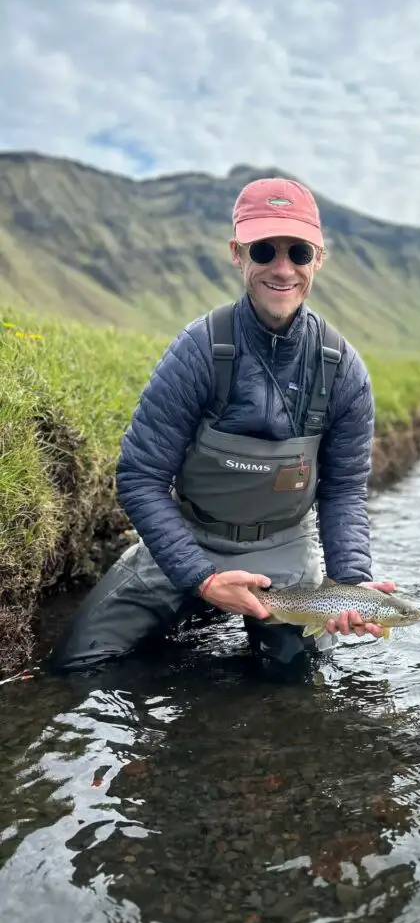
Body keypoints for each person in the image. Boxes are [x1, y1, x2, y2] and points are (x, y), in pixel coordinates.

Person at [49, 175, 394, 675]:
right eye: (263, 251)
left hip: (284, 551)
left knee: (293, 687)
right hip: (188, 541)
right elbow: (140, 478)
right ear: (238, 254)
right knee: (74, 668)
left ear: (319, 259)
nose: (282, 269)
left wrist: (352, 584)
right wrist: (201, 578)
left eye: (298, 253)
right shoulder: (197, 350)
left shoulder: (343, 370)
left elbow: (342, 491)